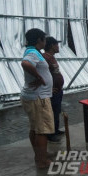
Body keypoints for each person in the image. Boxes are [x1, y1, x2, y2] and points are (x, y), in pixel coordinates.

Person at [20, 28, 55, 168]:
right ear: (39, 40)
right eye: (44, 39)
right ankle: (42, 161)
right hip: (38, 98)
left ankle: (39, 157)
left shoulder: (32, 51)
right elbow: (25, 64)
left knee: (35, 128)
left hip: (35, 96)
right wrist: (39, 77)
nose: (45, 42)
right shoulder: (32, 52)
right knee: (42, 131)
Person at [43, 36, 65, 142]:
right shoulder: (45, 58)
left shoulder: (51, 57)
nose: (58, 47)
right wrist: (48, 89)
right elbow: (41, 74)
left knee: (57, 111)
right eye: (57, 44)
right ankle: (50, 134)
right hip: (52, 92)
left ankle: (55, 130)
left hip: (58, 90)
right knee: (51, 113)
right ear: (52, 45)